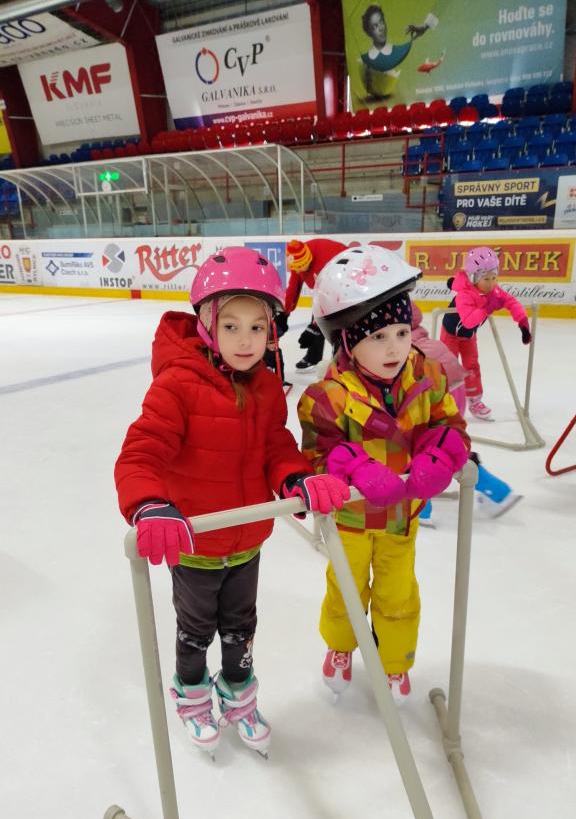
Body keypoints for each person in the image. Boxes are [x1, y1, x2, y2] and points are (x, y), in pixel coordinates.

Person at [115, 247, 349, 758]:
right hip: (196, 545)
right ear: (206, 326)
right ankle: (192, 695)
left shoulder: (265, 385)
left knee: (242, 628)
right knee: (196, 629)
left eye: (257, 328)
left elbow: (275, 446)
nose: (246, 341)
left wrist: (296, 479)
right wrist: (150, 504)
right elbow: (140, 453)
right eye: (231, 327)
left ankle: (238, 696)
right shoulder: (177, 385)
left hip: (247, 542)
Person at [297, 245, 470, 698]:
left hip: (401, 518)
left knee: (398, 593)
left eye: (401, 331)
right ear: (349, 342)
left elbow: (451, 425)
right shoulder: (327, 397)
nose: (394, 347)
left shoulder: (427, 377)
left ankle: (394, 662)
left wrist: (440, 453)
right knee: (345, 589)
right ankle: (340, 646)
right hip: (350, 521)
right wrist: (351, 465)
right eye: (377, 337)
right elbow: (315, 456)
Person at [411, 301, 522, 520]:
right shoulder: (420, 337)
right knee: (447, 445)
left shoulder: (398, 347)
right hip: (454, 394)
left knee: (414, 447)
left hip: (432, 395)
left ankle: (421, 509)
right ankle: (497, 491)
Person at [441, 246, 531, 421]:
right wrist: (487, 307)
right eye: (486, 279)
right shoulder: (465, 295)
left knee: (472, 366)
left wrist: (522, 323)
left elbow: (511, 302)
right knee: (449, 368)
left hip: (468, 336)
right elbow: (469, 320)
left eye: (494, 277)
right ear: (474, 278)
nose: (491, 283)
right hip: (450, 335)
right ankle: (445, 401)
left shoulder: (494, 291)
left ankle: (475, 401)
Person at [285, 238, 348, 371]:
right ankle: (313, 357)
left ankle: (341, 360)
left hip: (344, 285)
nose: (298, 272)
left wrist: (314, 327)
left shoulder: (325, 265)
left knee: (339, 324)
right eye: (295, 269)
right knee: (317, 318)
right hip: (326, 291)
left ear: (308, 261)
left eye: (300, 268)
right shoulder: (297, 258)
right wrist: (284, 313)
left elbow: (331, 300)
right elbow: (293, 288)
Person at [359, 4, 439, 100]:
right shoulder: (365, 59)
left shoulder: (401, 50)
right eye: (374, 27)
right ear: (368, 33)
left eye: (381, 22)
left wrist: (425, 26)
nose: (381, 28)